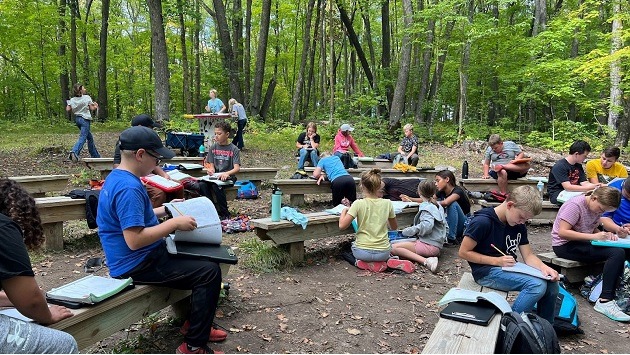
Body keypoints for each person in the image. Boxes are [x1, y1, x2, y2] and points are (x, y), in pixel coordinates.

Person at [96, 126, 227, 354]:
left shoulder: (118, 177)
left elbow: (138, 217)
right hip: (135, 263)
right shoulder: (128, 188)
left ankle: (195, 325)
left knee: (205, 256)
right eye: (156, 158)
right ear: (139, 155)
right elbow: (134, 240)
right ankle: (194, 345)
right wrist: (173, 224)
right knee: (209, 272)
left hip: (142, 255)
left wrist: (169, 209)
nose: (158, 164)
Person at [459, 185, 560, 324]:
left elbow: (529, 256)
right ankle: (510, 325)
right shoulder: (482, 222)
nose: (522, 222)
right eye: (521, 217)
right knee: (536, 286)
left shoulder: (518, 225)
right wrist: (496, 261)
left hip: (509, 268)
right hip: (486, 272)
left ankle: (545, 330)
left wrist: (544, 268)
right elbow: (463, 252)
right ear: (510, 205)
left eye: (526, 220)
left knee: (552, 285)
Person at [0, 179, 78, 354]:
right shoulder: (4, 227)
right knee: (64, 344)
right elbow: (33, 302)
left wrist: (10, 298)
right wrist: (49, 315)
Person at [552, 186, 630, 322]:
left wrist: (605, 235)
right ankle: (605, 300)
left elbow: (590, 226)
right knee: (616, 253)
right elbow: (563, 232)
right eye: (601, 209)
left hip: (583, 242)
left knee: (622, 250)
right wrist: (595, 236)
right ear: (594, 198)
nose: (601, 212)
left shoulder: (594, 206)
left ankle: (622, 292)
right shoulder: (574, 205)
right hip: (565, 245)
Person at [338, 169, 416, 273]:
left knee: (350, 248)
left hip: (362, 251)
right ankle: (390, 260)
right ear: (379, 186)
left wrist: (344, 210)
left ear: (362, 186)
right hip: (383, 252)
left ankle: (362, 263)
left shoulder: (358, 203)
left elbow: (342, 226)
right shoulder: (387, 203)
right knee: (387, 250)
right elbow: (394, 227)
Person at [113, 113, 184, 208]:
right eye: (150, 127)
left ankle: (176, 211)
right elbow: (117, 165)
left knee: (177, 185)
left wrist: (163, 174)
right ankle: (154, 216)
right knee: (158, 193)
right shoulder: (126, 142)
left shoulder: (149, 141)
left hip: (150, 176)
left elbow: (153, 161)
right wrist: (137, 179)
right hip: (140, 177)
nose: (152, 130)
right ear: (140, 127)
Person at [391, 180, 447, 273]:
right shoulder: (436, 205)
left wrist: (410, 230)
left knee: (392, 248)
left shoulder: (427, 208)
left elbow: (427, 225)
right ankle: (402, 260)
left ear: (419, 191)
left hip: (429, 245)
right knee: (401, 245)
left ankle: (427, 261)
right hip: (435, 244)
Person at [199, 121, 241, 220]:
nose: (216, 136)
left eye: (219, 134)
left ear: (227, 134)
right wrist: (211, 170)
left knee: (216, 186)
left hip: (229, 177)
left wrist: (227, 173)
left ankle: (225, 213)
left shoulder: (233, 149)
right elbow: (211, 165)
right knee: (202, 185)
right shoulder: (213, 147)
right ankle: (212, 209)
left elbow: (236, 168)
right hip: (215, 177)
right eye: (215, 134)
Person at [547, 140, 601, 205]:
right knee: (583, 200)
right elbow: (568, 187)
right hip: (558, 194)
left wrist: (597, 186)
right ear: (576, 154)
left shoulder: (578, 165)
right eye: (584, 156)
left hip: (573, 192)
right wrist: (588, 188)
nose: (585, 158)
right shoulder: (559, 166)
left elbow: (584, 182)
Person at [434, 170, 471, 245]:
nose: (436, 184)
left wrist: (430, 201)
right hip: (449, 222)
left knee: (452, 204)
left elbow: (445, 203)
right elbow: (429, 198)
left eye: (438, 181)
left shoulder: (458, 191)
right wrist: (411, 199)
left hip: (463, 225)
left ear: (447, 179)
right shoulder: (442, 191)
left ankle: (451, 238)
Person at [66, 83, 100, 161]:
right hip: (85, 120)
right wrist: (96, 106)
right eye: (84, 88)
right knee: (83, 137)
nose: (85, 89)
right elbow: (92, 108)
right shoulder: (87, 98)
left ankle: (95, 156)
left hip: (77, 120)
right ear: (80, 90)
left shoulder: (72, 100)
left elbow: (68, 109)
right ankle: (74, 152)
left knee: (90, 138)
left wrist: (69, 103)